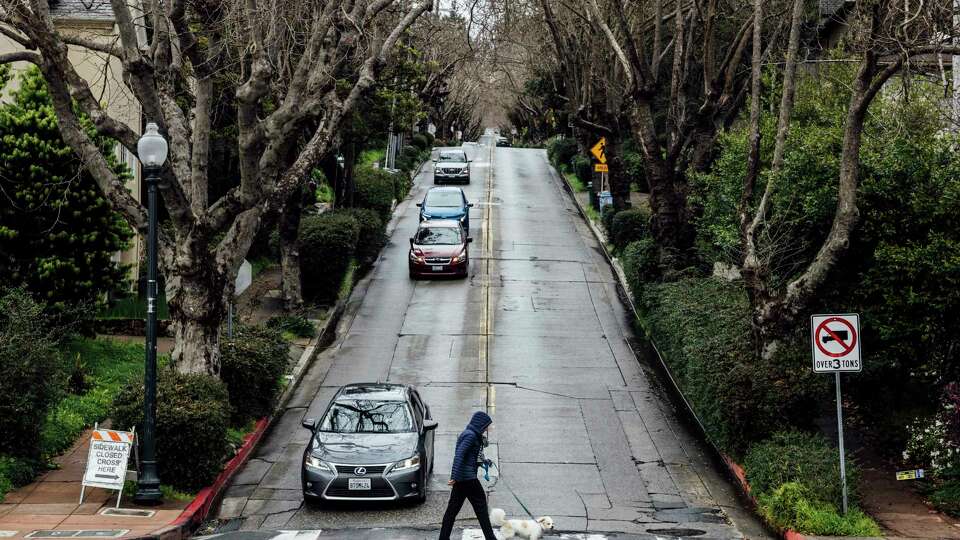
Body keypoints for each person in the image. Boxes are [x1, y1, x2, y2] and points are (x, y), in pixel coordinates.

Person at [438, 411, 497, 540]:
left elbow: (471, 457)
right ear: (481, 424)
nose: (488, 428)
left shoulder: (473, 434)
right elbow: (459, 455)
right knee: (481, 509)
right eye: (487, 426)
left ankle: (443, 538)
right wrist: (453, 476)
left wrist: (485, 462)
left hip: (462, 480)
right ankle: (491, 538)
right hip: (468, 479)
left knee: (452, 511)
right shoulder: (470, 436)